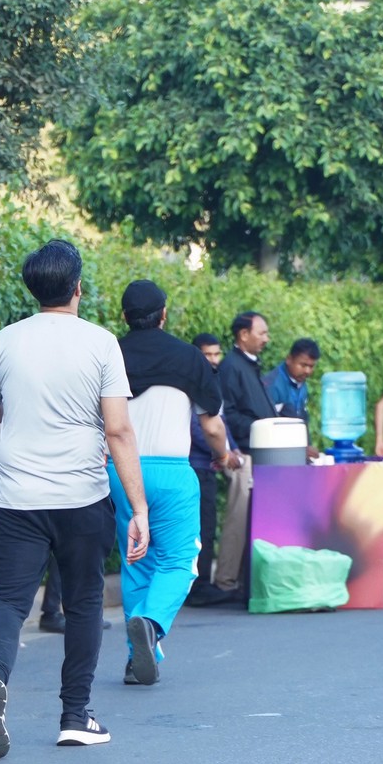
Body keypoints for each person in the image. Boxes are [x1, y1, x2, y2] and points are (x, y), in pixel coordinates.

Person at [0, 239, 149, 760]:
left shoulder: (6, 341)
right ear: (77, 288)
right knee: (84, 602)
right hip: (82, 496)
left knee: (9, 599)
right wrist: (138, 508)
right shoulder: (101, 343)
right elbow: (118, 430)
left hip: (17, 497)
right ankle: (75, 716)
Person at [112, 281, 238, 684]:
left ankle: (137, 660)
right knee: (182, 559)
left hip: (120, 470)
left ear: (124, 316)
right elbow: (212, 426)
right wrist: (222, 456)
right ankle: (151, 623)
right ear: (164, 314)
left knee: (136, 562)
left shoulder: (110, 354)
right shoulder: (188, 357)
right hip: (171, 471)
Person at [214, 311, 275, 597]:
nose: (266, 339)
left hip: (259, 452)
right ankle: (226, 580)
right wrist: (259, 428)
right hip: (242, 454)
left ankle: (240, 579)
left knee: (250, 518)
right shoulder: (232, 366)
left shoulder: (249, 365)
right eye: (262, 333)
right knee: (238, 518)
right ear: (243, 335)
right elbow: (227, 414)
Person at [188, 332, 228, 600]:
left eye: (216, 354)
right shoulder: (194, 383)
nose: (213, 360)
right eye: (207, 355)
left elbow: (221, 424)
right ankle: (199, 587)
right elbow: (201, 428)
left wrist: (228, 450)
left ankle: (202, 583)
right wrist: (222, 453)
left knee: (207, 525)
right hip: (198, 465)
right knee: (200, 527)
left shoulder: (212, 381)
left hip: (208, 465)